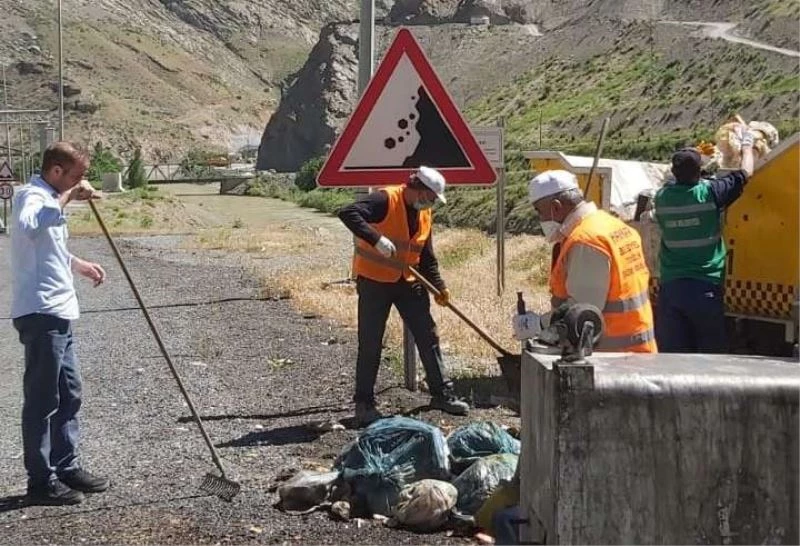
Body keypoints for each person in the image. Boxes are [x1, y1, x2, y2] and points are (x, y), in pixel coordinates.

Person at [10, 142, 109, 506]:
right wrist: (67, 197)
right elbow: (30, 226)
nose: (80, 182)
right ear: (55, 172)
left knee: (70, 393)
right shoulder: (30, 196)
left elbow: (46, 248)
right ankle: (40, 481)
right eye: (75, 176)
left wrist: (78, 264)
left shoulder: (49, 196)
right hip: (40, 313)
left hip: (59, 311)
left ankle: (66, 466)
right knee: (42, 399)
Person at [337, 166, 470, 426]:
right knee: (371, 342)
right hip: (374, 282)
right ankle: (364, 405)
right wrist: (376, 239)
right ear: (417, 189)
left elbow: (426, 256)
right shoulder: (385, 199)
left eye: (432, 200)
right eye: (429, 197)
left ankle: (442, 394)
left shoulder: (424, 213)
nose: (430, 203)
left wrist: (439, 286)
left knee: (428, 335)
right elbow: (347, 212)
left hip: (408, 282)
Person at [513, 169, 657, 353]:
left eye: (540, 212)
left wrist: (536, 325)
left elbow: (581, 313)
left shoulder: (586, 241)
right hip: (636, 350)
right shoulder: (611, 225)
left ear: (556, 207)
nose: (540, 219)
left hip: (611, 358)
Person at [653, 128, 755, 353]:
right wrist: (747, 145)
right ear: (699, 171)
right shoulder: (710, 194)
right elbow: (746, 172)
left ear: (674, 171)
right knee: (709, 360)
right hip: (705, 287)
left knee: (672, 357)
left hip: (671, 287)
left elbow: (672, 184)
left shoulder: (662, 198)